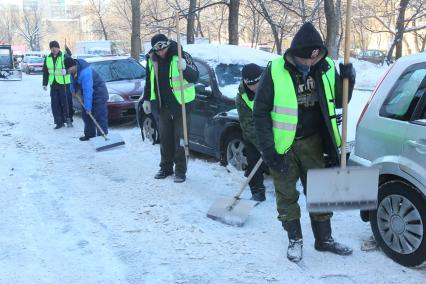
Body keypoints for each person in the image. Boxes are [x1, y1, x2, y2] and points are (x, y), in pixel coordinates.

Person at [253, 22, 356, 263]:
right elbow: (260, 112)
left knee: (320, 193)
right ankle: (295, 240)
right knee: (286, 195)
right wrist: (269, 149)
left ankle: (324, 240)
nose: (309, 64)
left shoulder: (327, 67)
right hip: (283, 146)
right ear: (294, 54)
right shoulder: (275, 70)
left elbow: (340, 101)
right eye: (305, 59)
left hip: (314, 143)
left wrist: (348, 81)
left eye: (314, 58)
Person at [142, 34, 199, 183]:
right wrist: (147, 99)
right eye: (158, 50)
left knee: (180, 138)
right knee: (165, 138)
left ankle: (180, 170)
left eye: (164, 49)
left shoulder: (181, 55)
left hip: (181, 104)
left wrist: (185, 68)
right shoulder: (151, 59)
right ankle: (166, 168)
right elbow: (149, 80)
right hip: (163, 105)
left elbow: (195, 77)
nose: (162, 53)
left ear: (168, 45)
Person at [235, 63, 266, 202]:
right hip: (253, 133)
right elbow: (247, 125)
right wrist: (262, 146)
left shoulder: (272, 87)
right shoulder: (241, 97)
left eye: (256, 83)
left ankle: (285, 190)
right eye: (250, 84)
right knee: (253, 159)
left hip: (275, 129)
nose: (253, 87)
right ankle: (257, 191)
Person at [64, 57, 108, 141]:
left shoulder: (85, 72)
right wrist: (72, 89)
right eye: (67, 69)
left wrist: (88, 107)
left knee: (99, 115)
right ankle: (90, 135)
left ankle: (102, 137)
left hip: (99, 93)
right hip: (88, 93)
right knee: (86, 115)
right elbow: (72, 80)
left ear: (73, 66)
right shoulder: (73, 70)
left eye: (69, 69)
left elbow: (88, 90)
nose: (68, 71)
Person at [42, 40, 73, 129]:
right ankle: (59, 122)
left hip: (64, 83)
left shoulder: (65, 56)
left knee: (66, 103)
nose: (54, 49)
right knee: (55, 103)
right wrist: (45, 83)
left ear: (58, 48)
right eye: (52, 47)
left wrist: (66, 71)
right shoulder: (47, 58)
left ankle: (68, 119)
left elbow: (73, 67)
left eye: (55, 47)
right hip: (53, 83)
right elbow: (45, 71)